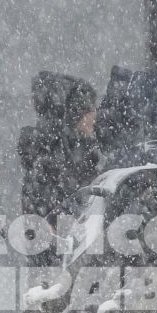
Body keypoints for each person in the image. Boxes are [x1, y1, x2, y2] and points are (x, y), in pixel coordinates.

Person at [18, 71, 100, 227]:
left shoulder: (81, 153)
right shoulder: (52, 161)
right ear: (76, 117)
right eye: (90, 110)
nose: (95, 116)